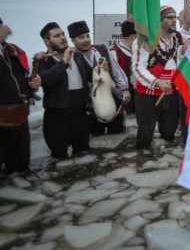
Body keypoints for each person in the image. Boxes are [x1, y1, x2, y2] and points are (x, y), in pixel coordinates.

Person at [38, 22, 91, 159]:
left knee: (84, 154)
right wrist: (64, 62)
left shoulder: (78, 56)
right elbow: (47, 81)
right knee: (60, 158)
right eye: (57, 36)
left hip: (80, 114)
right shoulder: (42, 61)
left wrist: (102, 70)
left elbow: (91, 75)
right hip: (57, 117)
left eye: (63, 34)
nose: (63, 38)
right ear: (47, 41)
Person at [131, 6, 183, 148]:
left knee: (169, 132)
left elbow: (180, 60)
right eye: (170, 17)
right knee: (145, 133)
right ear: (159, 21)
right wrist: (157, 82)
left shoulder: (178, 37)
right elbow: (137, 68)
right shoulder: (145, 39)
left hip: (171, 92)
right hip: (148, 94)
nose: (174, 20)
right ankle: (142, 162)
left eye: (175, 17)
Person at [67, 20, 129, 135]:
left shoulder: (101, 50)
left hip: (112, 97)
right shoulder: (71, 58)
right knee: (96, 132)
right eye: (81, 37)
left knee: (117, 131)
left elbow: (116, 71)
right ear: (73, 40)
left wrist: (124, 89)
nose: (86, 40)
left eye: (87, 36)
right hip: (91, 105)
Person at [0, 18, 41, 173]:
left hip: (19, 116)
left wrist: (33, 82)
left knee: (20, 165)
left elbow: (26, 75)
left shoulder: (15, 51)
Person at [109, 21, 137, 113]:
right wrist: (124, 89)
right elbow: (116, 74)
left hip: (139, 96)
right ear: (133, 36)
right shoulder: (114, 52)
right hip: (126, 98)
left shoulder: (137, 50)